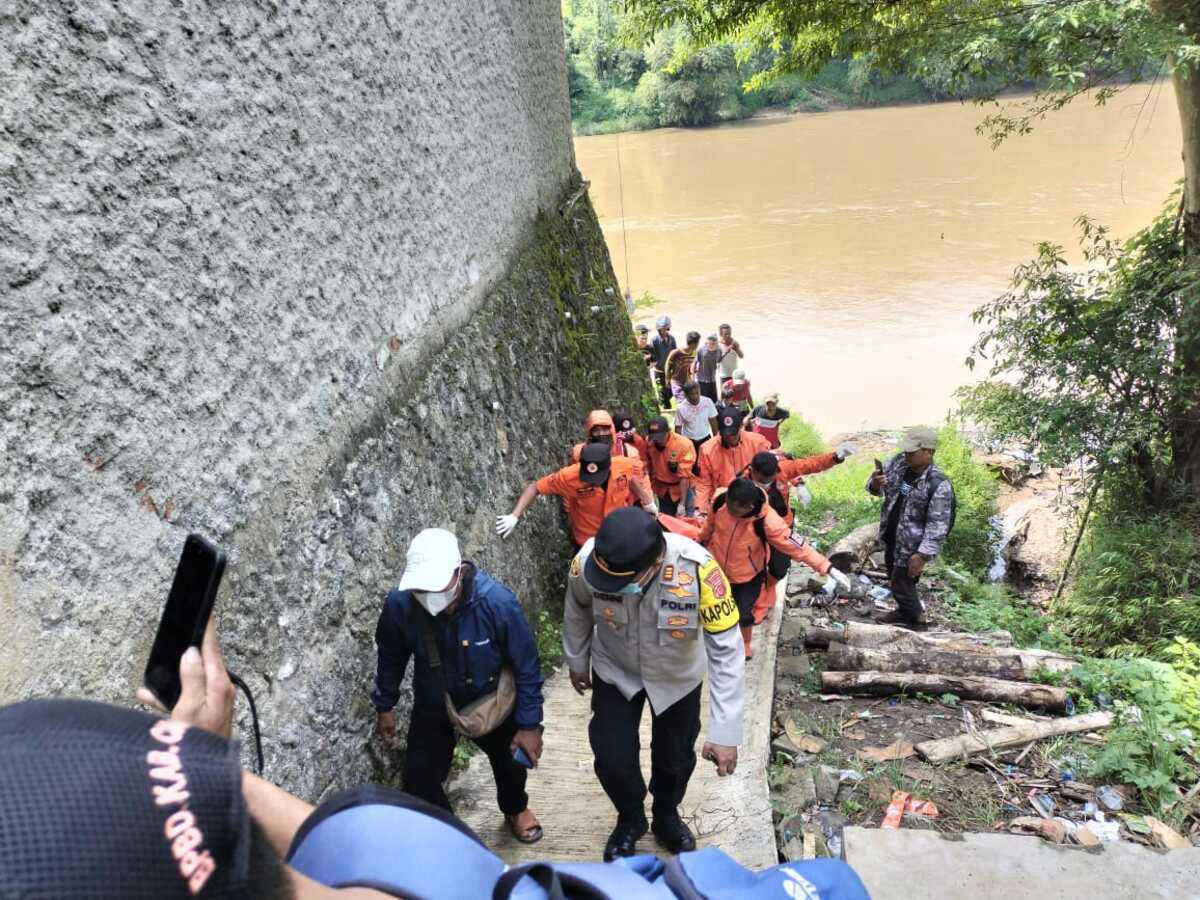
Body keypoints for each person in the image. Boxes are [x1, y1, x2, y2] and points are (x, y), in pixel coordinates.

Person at [563, 508, 745, 861]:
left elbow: (726, 649)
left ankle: (666, 816)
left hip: (677, 675)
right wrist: (576, 660)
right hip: (615, 669)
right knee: (612, 755)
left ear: (656, 560)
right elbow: (577, 608)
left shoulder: (699, 570)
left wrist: (726, 731)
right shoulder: (588, 561)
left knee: (675, 759)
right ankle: (630, 818)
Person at [371, 528, 546, 843]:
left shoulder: (497, 604)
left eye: (434, 586)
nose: (427, 594)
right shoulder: (401, 605)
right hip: (434, 700)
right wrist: (385, 704)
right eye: (420, 588)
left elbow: (527, 665)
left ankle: (515, 809)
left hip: (490, 700)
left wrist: (530, 724)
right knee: (418, 778)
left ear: (459, 574)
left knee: (510, 764)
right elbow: (391, 655)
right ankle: (456, 837)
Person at [700, 478, 849, 658]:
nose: (729, 511)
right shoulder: (720, 501)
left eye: (735, 509)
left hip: (747, 575)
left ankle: (745, 644)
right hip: (716, 569)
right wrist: (700, 543)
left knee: (742, 613)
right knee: (712, 608)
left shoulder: (769, 521)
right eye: (728, 505)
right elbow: (709, 526)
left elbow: (798, 546)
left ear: (749, 507)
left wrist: (827, 567)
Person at [867, 426, 957, 630]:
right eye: (906, 450)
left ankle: (915, 620)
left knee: (903, 583)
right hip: (891, 536)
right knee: (894, 577)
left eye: (912, 452)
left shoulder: (937, 484)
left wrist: (922, 556)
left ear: (929, 452)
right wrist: (875, 483)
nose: (906, 454)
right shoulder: (898, 463)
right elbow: (876, 490)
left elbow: (938, 526)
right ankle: (905, 612)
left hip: (911, 547)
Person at [497, 442, 656, 549]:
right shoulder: (568, 477)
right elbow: (535, 487)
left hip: (618, 530)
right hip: (588, 539)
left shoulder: (623, 465)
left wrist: (648, 502)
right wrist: (514, 516)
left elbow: (632, 479)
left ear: (609, 466)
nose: (593, 483)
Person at [694, 409, 772, 516]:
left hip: (750, 501)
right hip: (722, 501)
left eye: (733, 434)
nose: (730, 438)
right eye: (726, 435)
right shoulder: (707, 450)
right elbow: (703, 482)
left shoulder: (757, 442)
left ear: (740, 427)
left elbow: (773, 464)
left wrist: (797, 481)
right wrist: (701, 510)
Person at [637, 415, 697, 516]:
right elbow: (648, 466)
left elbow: (684, 476)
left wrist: (682, 504)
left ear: (668, 431)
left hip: (682, 490)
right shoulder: (649, 443)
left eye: (660, 437)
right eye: (654, 437)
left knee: (687, 523)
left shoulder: (684, 445)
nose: (657, 440)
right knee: (665, 521)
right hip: (662, 490)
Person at [673, 381, 719, 469]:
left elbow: (713, 421)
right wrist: (679, 446)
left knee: (707, 464)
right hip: (689, 442)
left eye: (697, 393)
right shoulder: (681, 408)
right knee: (691, 464)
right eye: (691, 394)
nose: (695, 396)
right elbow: (678, 428)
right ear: (686, 395)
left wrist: (716, 439)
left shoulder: (707, 402)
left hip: (705, 439)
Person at [665, 331, 701, 404]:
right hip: (676, 382)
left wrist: (693, 370)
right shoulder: (676, 353)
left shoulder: (694, 352)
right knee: (682, 403)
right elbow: (667, 366)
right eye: (698, 343)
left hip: (687, 382)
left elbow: (690, 367)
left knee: (691, 402)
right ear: (694, 344)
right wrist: (667, 379)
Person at [650, 315, 677, 407]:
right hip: (659, 371)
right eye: (662, 329)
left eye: (665, 329)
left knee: (670, 391)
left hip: (669, 371)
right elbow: (652, 355)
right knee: (662, 392)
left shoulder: (672, 339)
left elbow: (675, 353)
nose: (664, 331)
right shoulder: (654, 340)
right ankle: (665, 408)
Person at [695, 333, 722, 403]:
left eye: (714, 344)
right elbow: (694, 362)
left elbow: (719, 360)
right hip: (702, 380)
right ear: (706, 343)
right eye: (710, 343)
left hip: (712, 379)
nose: (712, 346)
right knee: (703, 400)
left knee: (713, 401)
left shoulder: (719, 350)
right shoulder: (701, 350)